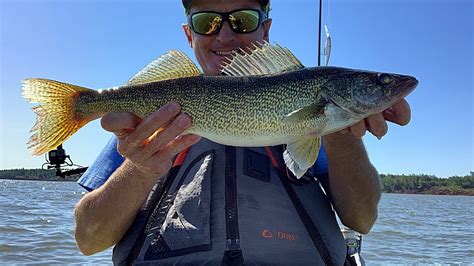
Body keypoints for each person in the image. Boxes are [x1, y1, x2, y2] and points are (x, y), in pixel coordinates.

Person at [74, 0, 411, 264]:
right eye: (206, 22)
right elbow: (88, 240)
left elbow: (362, 220)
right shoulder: (143, 129)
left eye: (243, 20)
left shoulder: (325, 125)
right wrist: (141, 168)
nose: (224, 35)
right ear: (189, 34)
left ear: (266, 30)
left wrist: (340, 134)